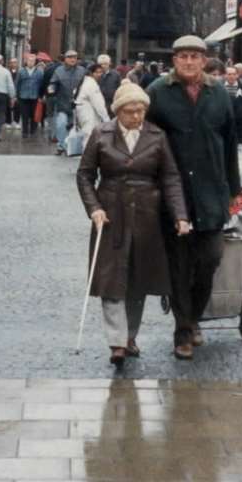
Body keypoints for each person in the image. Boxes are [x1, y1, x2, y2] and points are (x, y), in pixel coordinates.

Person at [76, 81, 191, 368]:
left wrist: (180, 215)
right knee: (111, 280)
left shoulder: (157, 136)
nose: (137, 117)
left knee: (138, 283)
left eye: (141, 111)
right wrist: (94, 209)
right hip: (111, 215)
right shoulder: (101, 134)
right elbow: (85, 175)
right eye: (130, 111)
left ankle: (130, 337)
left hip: (147, 217)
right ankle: (117, 341)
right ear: (117, 111)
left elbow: (170, 178)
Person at [145, 34, 241, 360]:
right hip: (173, 194)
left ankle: (194, 317)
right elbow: (146, 142)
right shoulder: (158, 93)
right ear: (174, 60)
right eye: (183, 56)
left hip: (212, 191)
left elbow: (230, 145)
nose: (189, 62)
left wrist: (232, 188)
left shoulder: (219, 95)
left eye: (195, 56)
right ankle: (182, 331)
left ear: (204, 60)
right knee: (178, 264)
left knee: (210, 258)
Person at [65, 61, 108, 158]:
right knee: (89, 138)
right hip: (89, 115)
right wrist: (106, 119)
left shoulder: (83, 82)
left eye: (101, 72)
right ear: (91, 73)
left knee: (86, 136)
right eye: (97, 72)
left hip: (81, 114)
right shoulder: (91, 85)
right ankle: (87, 161)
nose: (100, 74)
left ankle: (86, 160)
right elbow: (99, 104)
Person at [47, 49, 84, 147]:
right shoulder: (59, 70)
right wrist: (51, 89)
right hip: (62, 103)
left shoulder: (82, 71)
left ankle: (75, 146)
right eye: (70, 57)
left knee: (74, 126)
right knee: (61, 124)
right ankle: (61, 145)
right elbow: (52, 83)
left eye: (74, 57)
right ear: (65, 59)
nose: (72, 59)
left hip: (78, 105)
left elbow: (87, 84)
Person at [14, 55, 44, 139]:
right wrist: (16, 95)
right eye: (29, 60)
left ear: (35, 62)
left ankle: (33, 130)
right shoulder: (21, 71)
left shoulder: (39, 72)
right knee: (24, 115)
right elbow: (17, 84)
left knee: (34, 115)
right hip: (23, 97)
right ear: (26, 61)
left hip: (35, 97)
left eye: (32, 61)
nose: (31, 62)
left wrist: (41, 96)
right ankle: (25, 132)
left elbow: (42, 85)